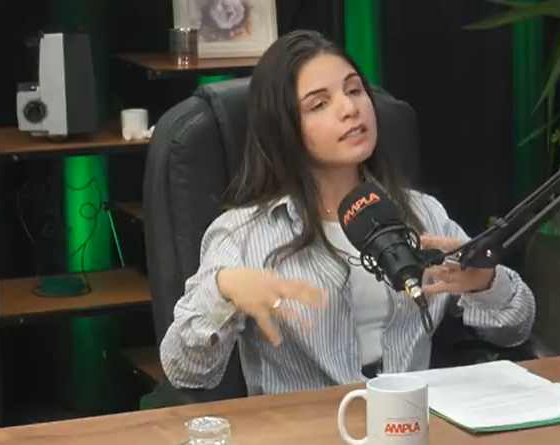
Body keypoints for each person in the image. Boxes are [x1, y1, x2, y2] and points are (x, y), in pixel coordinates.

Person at [159, 29, 536, 395]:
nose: (350, 108)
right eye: (319, 104)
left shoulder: (421, 213)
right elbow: (185, 372)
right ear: (284, 129)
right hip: (304, 427)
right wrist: (223, 291)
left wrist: (486, 284)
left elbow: (516, 329)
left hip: (409, 424)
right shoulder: (243, 234)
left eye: (354, 90)